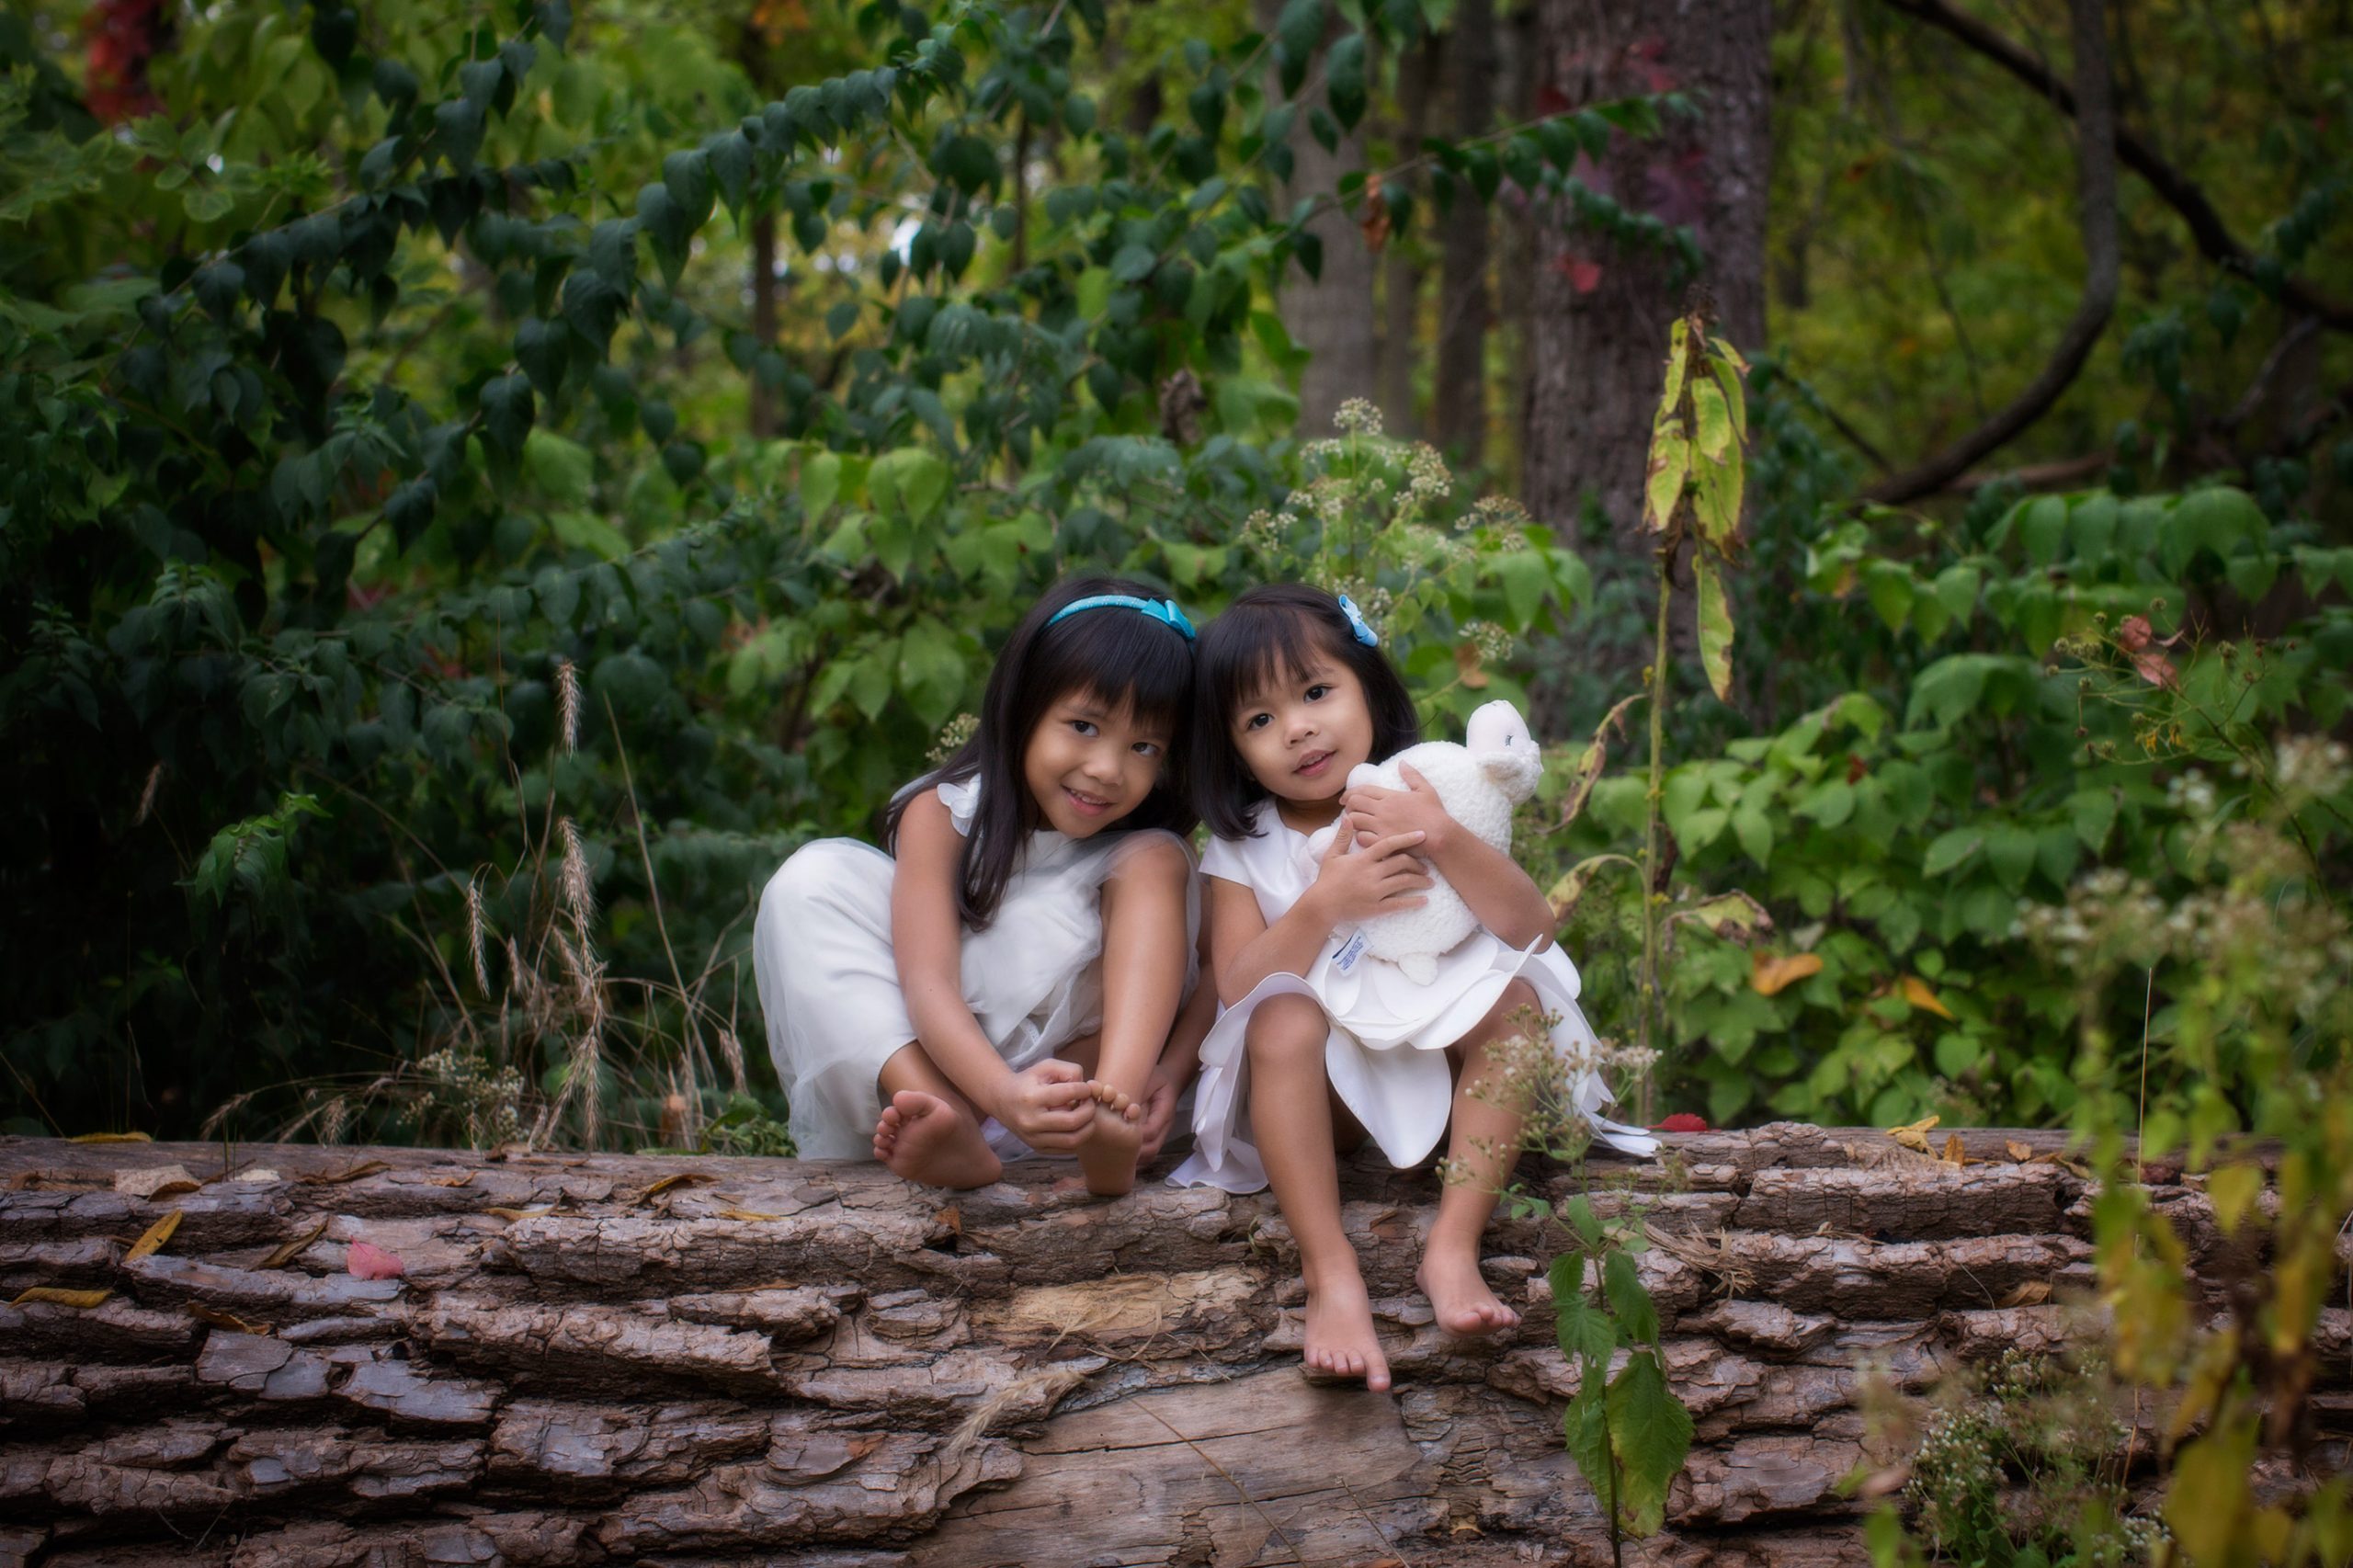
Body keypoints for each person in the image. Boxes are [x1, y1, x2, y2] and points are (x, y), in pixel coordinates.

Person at [1170, 584, 1654, 1392]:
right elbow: (1238, 986)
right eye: (1258, 720)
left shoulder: (1434, 787)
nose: (1297, 729)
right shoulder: (1241, 845)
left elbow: (1533, 930)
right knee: (1280, 1017)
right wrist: (1323, 903)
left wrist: (1441, 834)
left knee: (1515, 1001)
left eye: (1316, 692)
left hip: (1441, 1059)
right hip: (1322, 1094)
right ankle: (1330, 1272)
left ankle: (1453, 1245)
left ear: (1367, 684)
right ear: (1232, 749)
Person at [754, 577, 1210, 1196]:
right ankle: (941, 1116)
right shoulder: (943, 814)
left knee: (1156, 860)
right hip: (958, 1076)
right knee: (810, 882)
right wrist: (1000, 1093)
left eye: (1144, 746)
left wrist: (1167, 1075)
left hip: (1076, 1095)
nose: (1108, 768)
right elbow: (927, 981)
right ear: (1023, 709)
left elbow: (1218, 974)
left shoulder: (1152, 856)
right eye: (1083, 726)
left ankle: (1114, 1120)